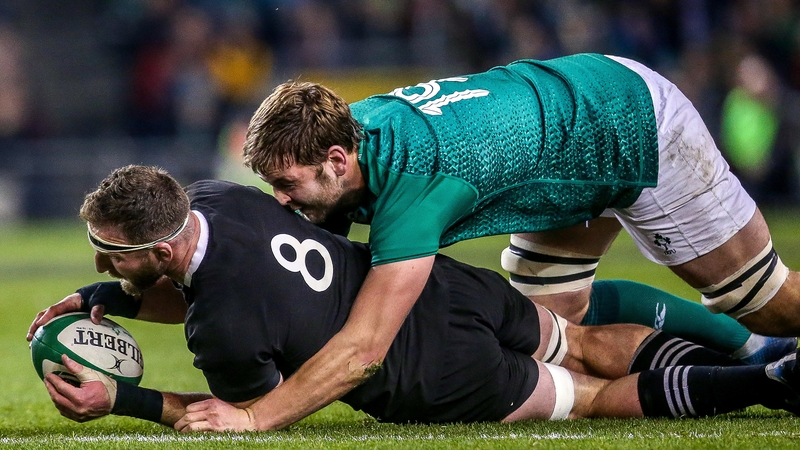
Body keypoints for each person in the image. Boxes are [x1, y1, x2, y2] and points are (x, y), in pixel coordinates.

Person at [27, 166, 800, 431]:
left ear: (158, 249)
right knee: (586, 340)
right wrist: (108, 296)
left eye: (112, 251)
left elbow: (238, 414)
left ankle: (761, 382)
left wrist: (122, 402)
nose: (101, 258)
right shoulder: (218, 197)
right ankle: (754, 358)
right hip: (430, 284)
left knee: (594, 399)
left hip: (427, 365)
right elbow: (220, 286)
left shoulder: (221, 328)